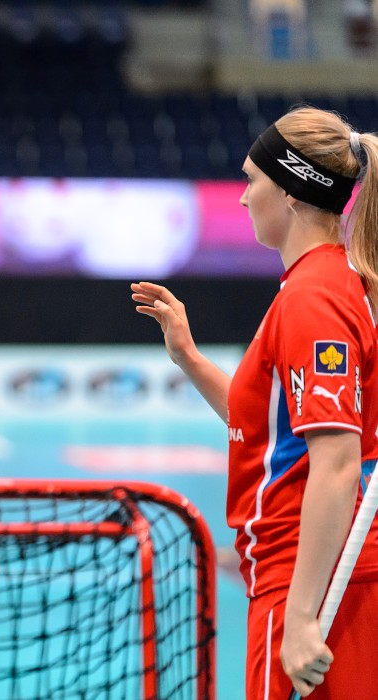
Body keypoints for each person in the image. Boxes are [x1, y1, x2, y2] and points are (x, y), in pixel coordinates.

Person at [131, 106, 378, 698]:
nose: (243, 198)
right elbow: (273, 427)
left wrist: (299, 618)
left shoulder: (312, 299)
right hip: (327, 572)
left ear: (291, 191)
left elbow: (338, 464)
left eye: (252, 180)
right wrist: (189, 357)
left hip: (310, 575)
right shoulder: (331, 283)